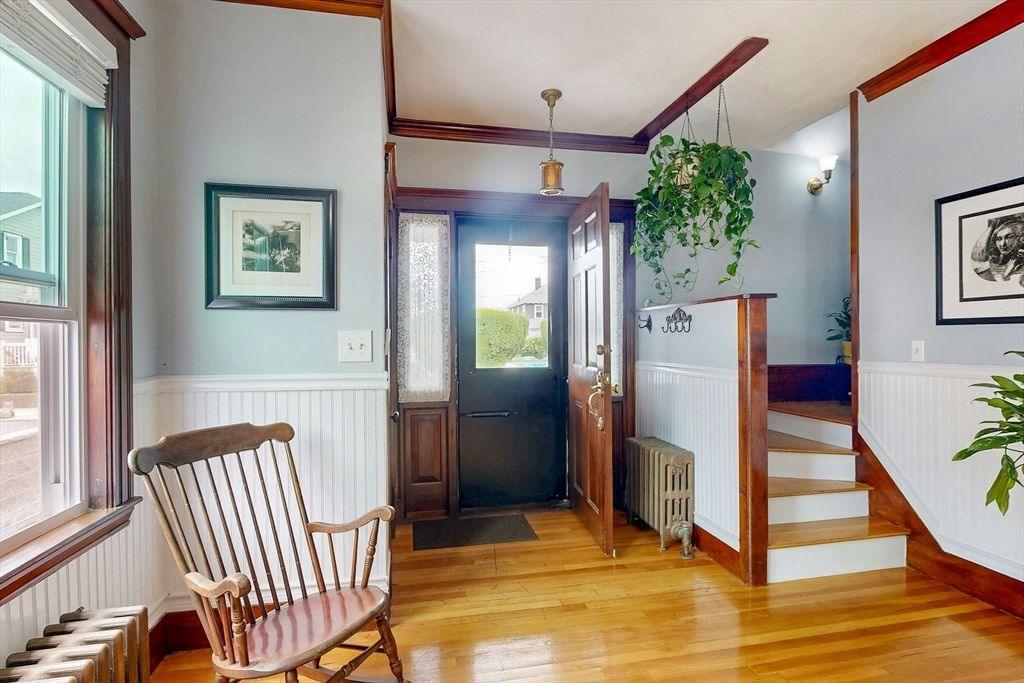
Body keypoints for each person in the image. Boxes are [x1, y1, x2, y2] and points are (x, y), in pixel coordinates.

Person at [974, 216, 1024, 282]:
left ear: (1018, 238)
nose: (1002, 244)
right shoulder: (990, 264)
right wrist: (1006, 274)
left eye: (1009, 237)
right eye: (999, 239)